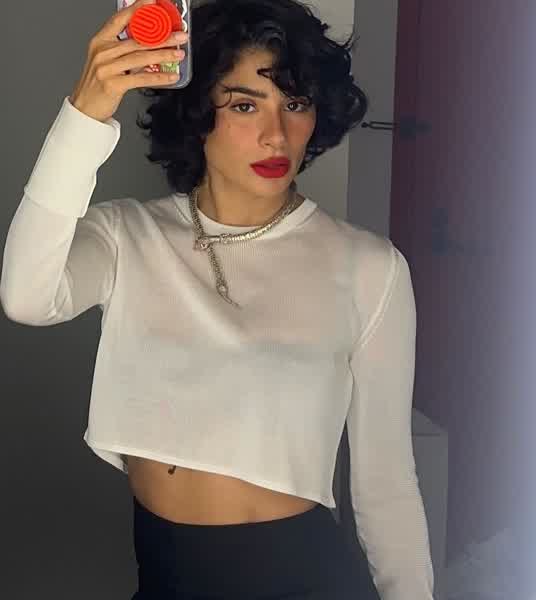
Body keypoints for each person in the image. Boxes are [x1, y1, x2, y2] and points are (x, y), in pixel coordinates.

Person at [0, 0, 435, 598]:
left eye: (295, 104)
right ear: (197, 112)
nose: (276, 134)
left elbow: (386, 483)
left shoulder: (369, 268)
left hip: (303, 579)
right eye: (244, 105)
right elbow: (27, 296)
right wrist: (87, 110)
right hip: (167, 576)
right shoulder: (129, 236)